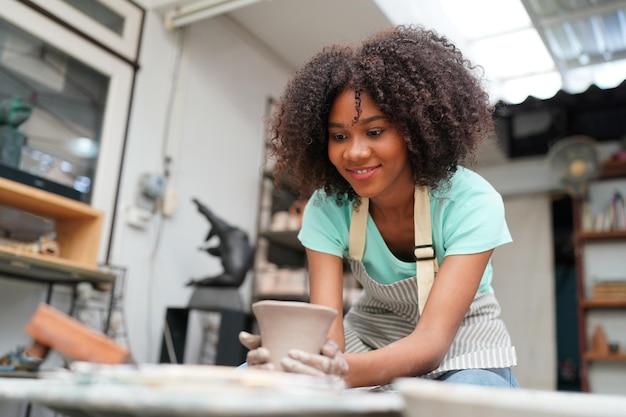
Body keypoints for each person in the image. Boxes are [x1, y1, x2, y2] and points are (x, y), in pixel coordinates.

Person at [239, 24, 519, 389]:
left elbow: (432, 343)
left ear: (415, 130)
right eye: (339, 136)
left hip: (459, 347)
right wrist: (293, 357)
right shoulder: (328, 207)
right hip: (368, 339)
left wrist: (334, 373)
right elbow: (330, 338)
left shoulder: (470, 202)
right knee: (250, 381)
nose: (354, 152)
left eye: (374, 132)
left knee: (467, 399)